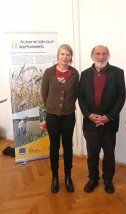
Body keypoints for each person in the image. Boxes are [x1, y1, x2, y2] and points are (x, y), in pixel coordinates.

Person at [78, 45, 126, 194]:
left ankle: (108, 180)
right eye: (97, 54)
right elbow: (81, 97)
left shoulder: (118, 73)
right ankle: (93, 179)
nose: (101, 57)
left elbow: (121, 97)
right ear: (92, 56)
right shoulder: (85, 74)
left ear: (108, 56)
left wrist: (109, 117)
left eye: (104, 54)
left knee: (109, 154)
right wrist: (88, 115)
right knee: (92, 154)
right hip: (90, 123)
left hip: (109, 123)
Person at [41, 44, 79, 193]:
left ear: (71, 57)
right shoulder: (49, 72)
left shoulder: (75, 73)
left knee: (68, 146)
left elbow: (76, 93)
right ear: (58, 55)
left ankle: (68, 176)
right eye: (62, 54)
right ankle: (55, 176)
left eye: (68, 54)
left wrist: (66, 107)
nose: (65, 57)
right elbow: (44, 94)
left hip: (69, 116)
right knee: (54, 146)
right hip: (52, 117)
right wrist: (53, 107)